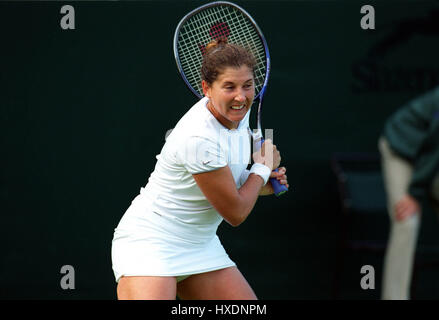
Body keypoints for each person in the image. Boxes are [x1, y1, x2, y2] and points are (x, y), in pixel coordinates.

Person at [111, 39, 289, 300]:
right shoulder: (197, 139)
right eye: (229, 87)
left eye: (247, 86)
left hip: (200, 244)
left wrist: (260, 182)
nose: (241, 96)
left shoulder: (239, 112)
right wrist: (261, 168)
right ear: (207, 88)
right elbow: (235, 213)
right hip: (151, 244)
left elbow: (231, 186)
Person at [379, 85, 439, 300]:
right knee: (407, 220)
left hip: (430, 158)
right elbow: (434, 144)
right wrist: (415, 194)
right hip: (401, 149)